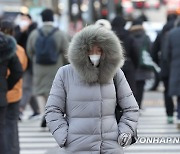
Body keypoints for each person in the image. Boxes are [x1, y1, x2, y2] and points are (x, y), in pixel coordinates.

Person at [45, 25, 139, 153]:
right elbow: (53, 109)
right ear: (81, 51)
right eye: (90, 50)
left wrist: (123, 133)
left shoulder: (115, 74)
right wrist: (64, 137)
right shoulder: (65, 73)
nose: (94, 54)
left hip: (110, 147)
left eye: (99, 50)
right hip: (77, 147)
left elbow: (131, 108)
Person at [27, 8, 69, 127]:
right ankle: (52, 115)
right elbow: (67, 51)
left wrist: (35, 61)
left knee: (40, 92)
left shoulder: (35, 33)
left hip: (39, 67)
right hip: (55, 67)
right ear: (52, 18)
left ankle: (43, 113)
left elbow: (30, 51)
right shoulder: (60, 33)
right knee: (55, 91)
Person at [1, 20, 28, 154]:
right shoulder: (19, 50)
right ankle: (13, 150)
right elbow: (21, 68)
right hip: (15, 91)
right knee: (12, 124)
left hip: (4, 92)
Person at [152, 13, 177, 124]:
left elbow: (153, 51)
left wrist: (159, 64)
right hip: (176, 67)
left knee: (167, 91)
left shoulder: (162, 33)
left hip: (165, 68)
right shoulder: (176, 31)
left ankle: (170, 115)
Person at [14, 13, 40, 119]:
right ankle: (36, 110)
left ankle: (20, 109)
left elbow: (34, 46)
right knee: (28, 88)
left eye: (25, 19)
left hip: (30, 64)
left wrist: (27, 30)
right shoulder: (17, 29)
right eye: (21, 19)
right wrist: (21, 31)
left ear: (30, 20)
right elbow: (15, 42)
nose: (23, 21)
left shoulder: (34, 30)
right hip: (19, 62)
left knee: (26, 87)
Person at [111, 16, 139, 94]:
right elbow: (135, 53)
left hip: (112, 66)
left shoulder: (109, 36)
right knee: (129, 91)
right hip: (128, 65)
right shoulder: (129, 36)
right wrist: (134, 65)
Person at [129, 19, 153, 109]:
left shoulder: (129, 36)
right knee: (141, 86)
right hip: (143, 66)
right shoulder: (146, 37)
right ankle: (139, 105)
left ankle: (132, 105)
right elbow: (151, 50)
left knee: (130, 87)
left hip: (132, 66)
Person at [164, 17, 180, 129]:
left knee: (179, 94)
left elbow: (166, 54)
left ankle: (179, 116)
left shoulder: (172, 34)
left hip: (176, 67)